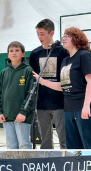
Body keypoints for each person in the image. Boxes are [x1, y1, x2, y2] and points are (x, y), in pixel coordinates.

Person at [33, 27, 91, 149]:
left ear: (76, 39)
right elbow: (63, 86)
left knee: (87, 143)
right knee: (73, 146)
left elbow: (90, 81)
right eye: (63, 36)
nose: (63, 39)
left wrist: (86, 106)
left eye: (67, 36)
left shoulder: (84, 55)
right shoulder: (65, 60)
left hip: (82, 107)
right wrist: (42, 81)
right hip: (68, 108)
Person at [29, 19, 68, 149]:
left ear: (52, 33)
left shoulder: (63, 52)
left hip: (60, 102)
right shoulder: (35, 53)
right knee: (45, 142)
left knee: (64, 139)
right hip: (41, 103)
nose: (39, 37)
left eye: (42, 33)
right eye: (37, 34)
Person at [0, 41, 35, 149]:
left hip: (22, 116)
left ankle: (25, 165)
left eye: (17, 50)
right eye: (11, 51)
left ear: (23, 54)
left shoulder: (28, 70)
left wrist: (23, 112)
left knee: (24, 144)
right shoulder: (4, 72)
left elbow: (31, 94)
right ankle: (14, 166)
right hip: (6, 116)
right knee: (11, 146)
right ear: (8, 55)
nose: (14, 53)